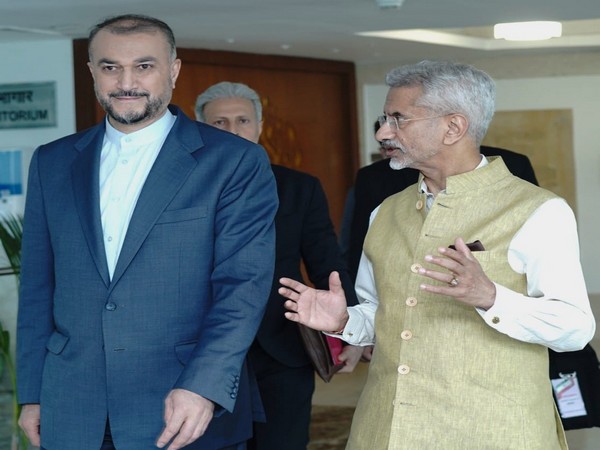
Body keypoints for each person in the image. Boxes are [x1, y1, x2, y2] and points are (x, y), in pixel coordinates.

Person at [279, 60, 596, 449]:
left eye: (399, 119)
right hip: (387, 430)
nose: (383, 132)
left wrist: (491, 297)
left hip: (493, 432)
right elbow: (384, 314)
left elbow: (574, 328)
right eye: (384, 118)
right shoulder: (386, 212)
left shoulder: (538, 210)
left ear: (453, 127)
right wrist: (343, 319)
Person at [16, 15, 278, 450]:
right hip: (71, 405)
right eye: (110, 67)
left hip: (181, 405)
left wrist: (205, 385)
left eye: (143, 66)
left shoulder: (233, 162)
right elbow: (38, 286)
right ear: (92, 73)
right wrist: (31, 394)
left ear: (173, 70)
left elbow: (242, 288)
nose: (126, 82)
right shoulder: (52, 162)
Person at [195, 81, 361, 450]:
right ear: (200, 128)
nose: (233, 131)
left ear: (259, 125)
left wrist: (347, 329)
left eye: (242, 120)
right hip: (204, 350)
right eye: (219, 123)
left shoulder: (299, 188)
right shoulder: (181, 190)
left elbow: (326, 263)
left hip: (282, 347)